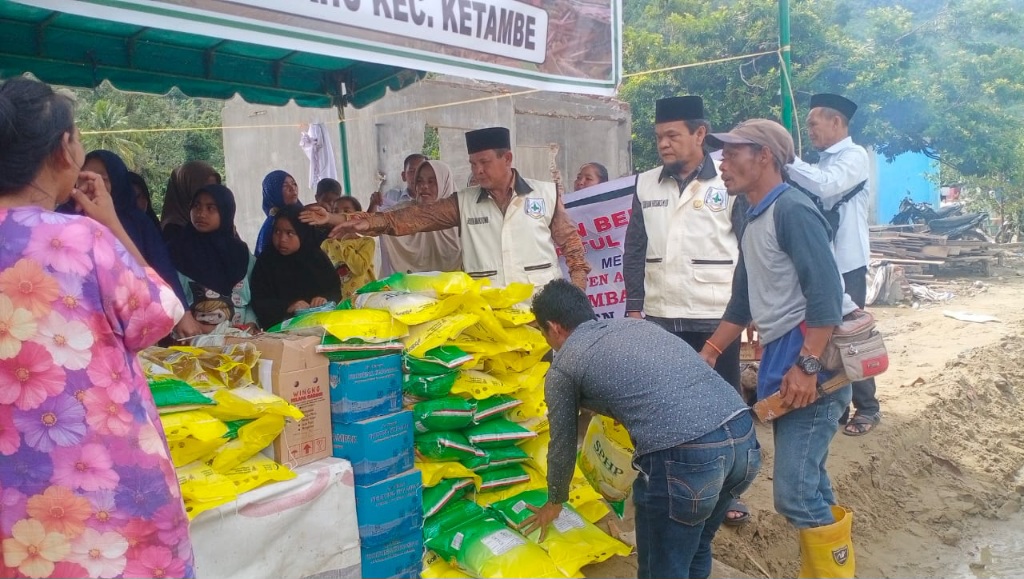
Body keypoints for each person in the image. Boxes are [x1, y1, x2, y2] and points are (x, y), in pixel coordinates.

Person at [0, 76, 194, 579]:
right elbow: (161, 314)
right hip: (108, 500)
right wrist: (111, 223)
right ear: (64, 149)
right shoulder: (83, 238)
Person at [520, 280, 760, 579]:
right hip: (743, 436)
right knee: (696, 546)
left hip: (688, 456)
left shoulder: (564, 365)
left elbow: (562, 444)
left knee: (663, 568)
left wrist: (555, 501)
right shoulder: (636, 327)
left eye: (543, 332)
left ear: (554, 328)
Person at [702, 119, 856, 578]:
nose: (723, 164)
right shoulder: (750, 213)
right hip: (783, 357)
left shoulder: (793, 210)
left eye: (733, 154)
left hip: (814, 364)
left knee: (795, 495)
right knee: (811, 486)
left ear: (765, 156)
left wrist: (807, 366)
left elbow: (827, 294)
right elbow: (744, 298)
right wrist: (709, 352)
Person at [623, 95, 750, 524]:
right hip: (660, 315)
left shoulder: (728, 181)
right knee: (664, 406)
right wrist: (635, 308)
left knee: (725, 404)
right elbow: (634, 249)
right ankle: (669, 484)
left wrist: (745, 311)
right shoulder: (645, 184)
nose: (664, 144)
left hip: (715, 315)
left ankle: (729, 493)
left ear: (700, 134)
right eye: (659, 136)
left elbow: (748, 251)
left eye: (673, 135)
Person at [306, 127, 591, 290]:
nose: (477, 171)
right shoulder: (463, 202)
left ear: (507, 159)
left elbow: (573, 247)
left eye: (484, 162)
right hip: (489, 315)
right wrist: (363, 221)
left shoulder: (545, 194)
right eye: (472, 164)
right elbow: (413, 217)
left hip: (541, 311)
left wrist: (577, 291)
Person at [787, 93, 881, 437]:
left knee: (852, 336)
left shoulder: (854, 157)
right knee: (822, 338)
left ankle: (867, 407)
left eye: (813, 123)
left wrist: (788, 159)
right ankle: (836, 406)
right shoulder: (822, 162)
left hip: (847, 262)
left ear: (836, 122)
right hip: (822, 263)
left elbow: (826, 188)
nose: (810, 129)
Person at [81, 150, 203, 339]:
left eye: (102, 179)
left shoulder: (137, 222)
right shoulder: (61, 218)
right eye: (85, 177)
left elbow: (162, 267)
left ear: (118, 182)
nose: (92, 185)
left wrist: (184, 313)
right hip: (79, 319)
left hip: (131, 318)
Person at [168, 183, 257, 331]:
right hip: (191, 337)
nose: (201, 214)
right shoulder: (176, 252)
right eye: (197, 206)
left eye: (211, 208)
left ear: (225, 212)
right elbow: (167, 299)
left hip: (240, 337)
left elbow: (256, 296)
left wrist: (251, 323)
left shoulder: (241, 253)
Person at [251, 206, 342, 328]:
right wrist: (288, 307)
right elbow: (259, 300)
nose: (282, 239)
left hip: (319, 327)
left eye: (290, 233)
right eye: (277, 232)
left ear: (302, 233)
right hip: (279, 331)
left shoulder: (317, 259)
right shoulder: (266, 261)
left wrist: (324, 299)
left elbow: (335, 290)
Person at [378, 160, 463, 274]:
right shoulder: (405, 210)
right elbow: (381, 220)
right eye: (419, 181)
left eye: (431, 181)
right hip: (411, 285)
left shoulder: (461, 214)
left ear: (445, 183)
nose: (424, 186)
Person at [320, 196, 376, 300]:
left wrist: (346, 241)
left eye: (346, 211)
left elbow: (359, 269)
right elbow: (323, 276)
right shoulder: (327, 244)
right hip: (339, 303)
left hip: (364, 301)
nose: (341, 215)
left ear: (357, 216)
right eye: (335, 211)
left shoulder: (366, 242)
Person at [160, 160, 221, 242]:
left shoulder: (218, 224)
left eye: (214, 188)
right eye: (203, 188)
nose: (210, 193)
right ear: (186, 187)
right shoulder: (174, 232)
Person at [255, 170, 302, 256]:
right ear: (274, 192)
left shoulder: (304, 215)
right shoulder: (271, 225)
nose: (292, 188)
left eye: (294, 184)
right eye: (285, 186)